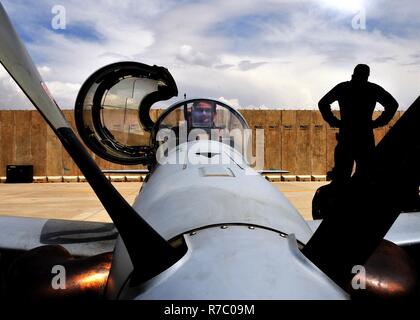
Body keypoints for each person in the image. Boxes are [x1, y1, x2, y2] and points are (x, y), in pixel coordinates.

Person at [318, 64, 399, 184]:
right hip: (364, 137)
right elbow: (393, 104)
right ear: (367, 75)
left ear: (354, 73)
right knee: (365, 178)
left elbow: (323, 103)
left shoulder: (343, 88)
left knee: (341, 178)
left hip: (346, 136)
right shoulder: (372, 89)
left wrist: (334, 122)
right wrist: (377, 123)